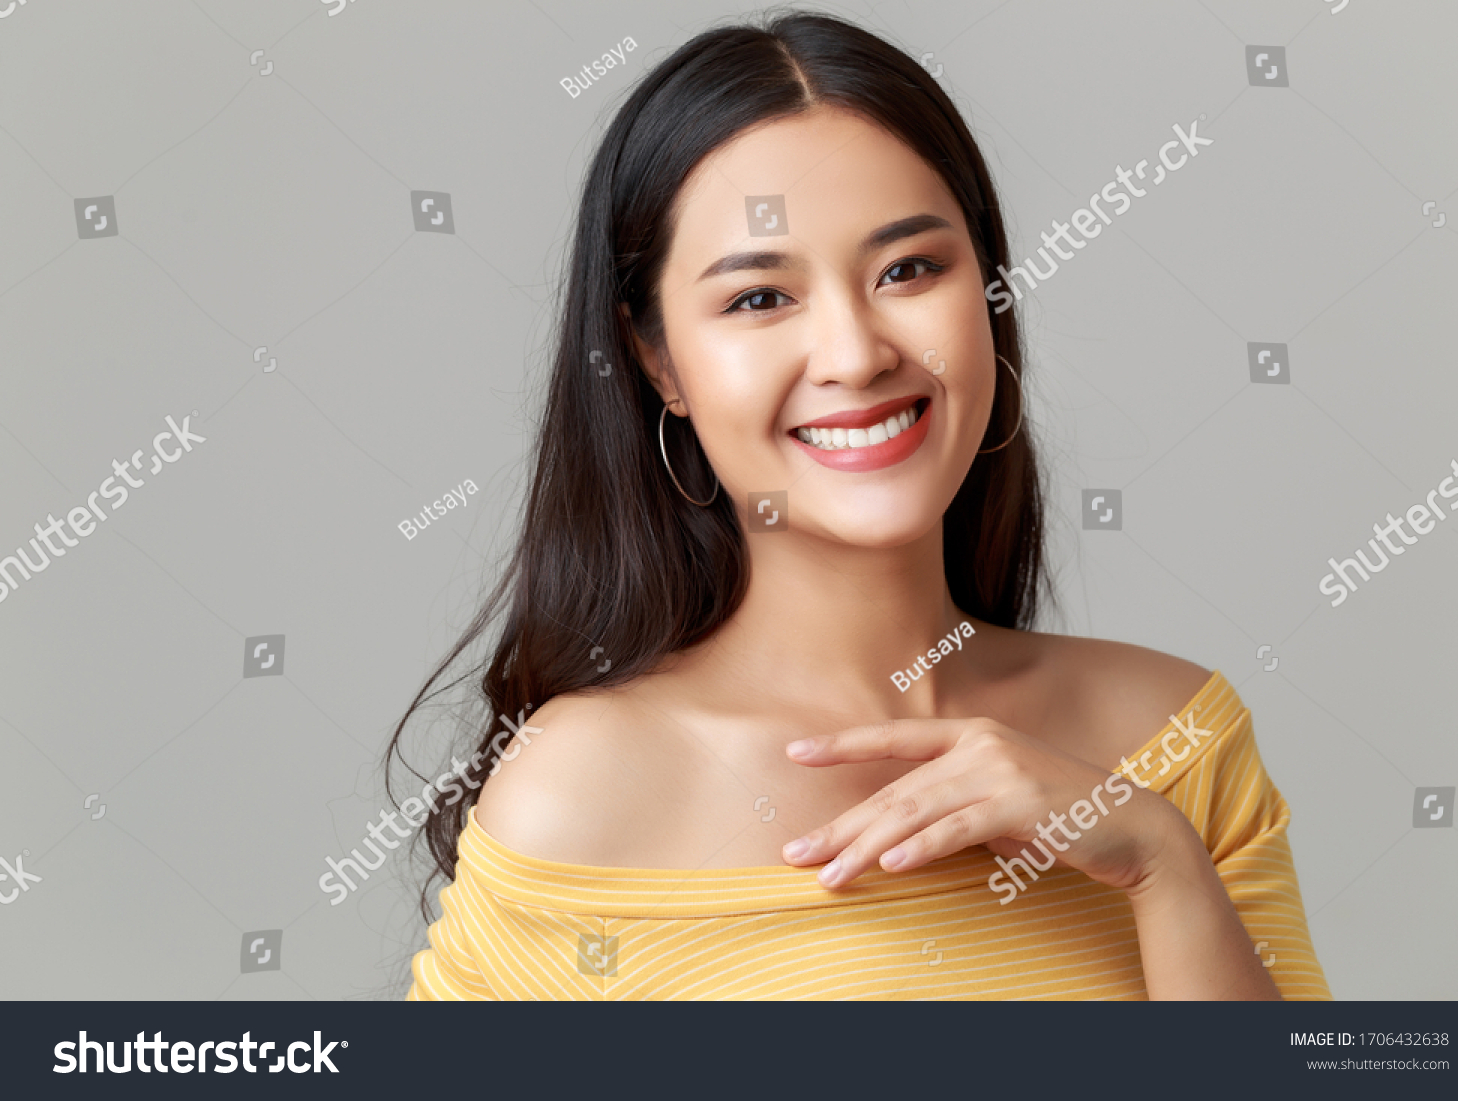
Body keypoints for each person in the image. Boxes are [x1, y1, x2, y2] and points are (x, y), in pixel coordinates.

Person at [392, 9, 1330, 1000]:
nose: (855, 354)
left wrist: (1159, 860)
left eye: (909, 269)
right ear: (657, 360)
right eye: (759, 297)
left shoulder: (1175, 736)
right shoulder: (583, 788)